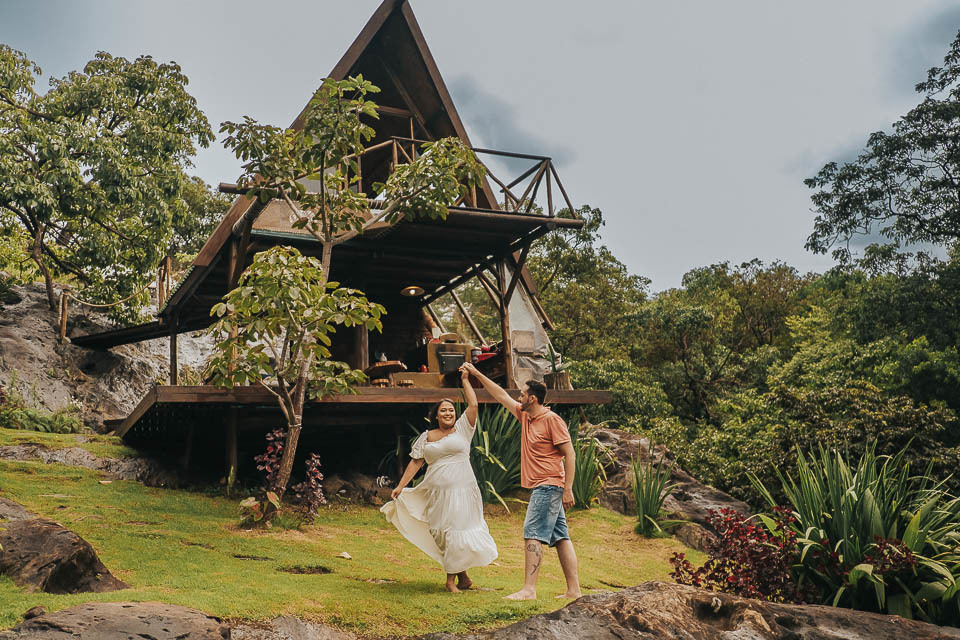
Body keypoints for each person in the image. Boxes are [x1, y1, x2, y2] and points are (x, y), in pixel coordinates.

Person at [460, 362, 581, 601]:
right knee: (560, 537)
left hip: (549, 484)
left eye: (523, 394)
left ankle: (529, 590)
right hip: (545, 485)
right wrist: (475, 373)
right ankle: (574, 590)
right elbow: (500, 394)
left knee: (532, 532)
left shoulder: (552, 420)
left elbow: (570, 453)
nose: (519, 396)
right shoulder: (525, 416)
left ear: (533, 398)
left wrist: (568, 489)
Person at [380, 365, 498, 592]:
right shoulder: (427, 437)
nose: (448, 414)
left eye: (451, 411)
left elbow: (473, 404)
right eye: (443, 411)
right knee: (441, 532)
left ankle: (450, 581)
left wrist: (465, 379)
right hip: (436, 492)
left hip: (462, 490)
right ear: (436, 415)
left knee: (455, 530)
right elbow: (416, 462)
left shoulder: (464, 429)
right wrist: (400, 486)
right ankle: (464, 577)